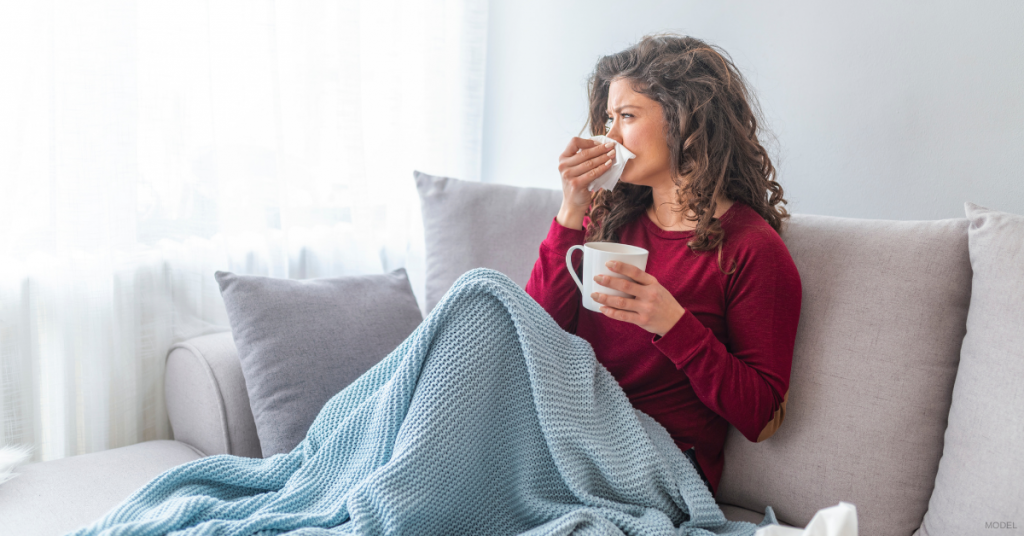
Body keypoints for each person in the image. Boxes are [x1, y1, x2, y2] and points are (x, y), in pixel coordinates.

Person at [525, 33, 802, 498]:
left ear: (685, 120)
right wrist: (571, 211)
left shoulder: (751, 249)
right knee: (479, 296)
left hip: (659, 465)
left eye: (627, 117)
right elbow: (531, 338)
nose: (609, 137)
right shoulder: (610, 218)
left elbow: (763, 417)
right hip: (570, 437)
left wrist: (673, 323)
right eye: (608, 119)